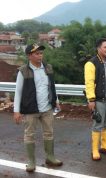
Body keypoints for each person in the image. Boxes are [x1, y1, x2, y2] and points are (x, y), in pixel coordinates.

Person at [13, 43, 63, 172]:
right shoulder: (23, 71)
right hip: (31, 109)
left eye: (41, 53)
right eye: (37, 53)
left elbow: (52, 86)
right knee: (29, 134)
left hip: (47, 108)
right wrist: (16, 111)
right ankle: (31, 161)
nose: (40, 55)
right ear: (29, 56)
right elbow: (18, 92)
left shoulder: (48, 68)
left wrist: (56, 100)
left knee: (49, 133)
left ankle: (50, 157)